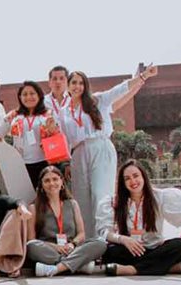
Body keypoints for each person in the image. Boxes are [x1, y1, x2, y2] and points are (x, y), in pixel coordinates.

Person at [64, 66, 158, 234]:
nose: (77, 86)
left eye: (81, 83)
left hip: (100, 146)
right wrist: (67, 162)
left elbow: (120, 90)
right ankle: (88, 243)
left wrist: (142, 77)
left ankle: (105, 238)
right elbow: (64, 138)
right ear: (68, 85)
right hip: (78, 152)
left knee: (101, 195)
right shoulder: (64, 111)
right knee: (81, 199)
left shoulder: (97, 101)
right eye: (73, 82)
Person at [96, 160, 181, 276]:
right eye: (127, 178)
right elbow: (104, 232)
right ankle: (169, 267)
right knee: (110, 253)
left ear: (143, 177)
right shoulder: (113, 202)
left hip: (155, 249)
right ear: (123, 182)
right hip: (129, 250)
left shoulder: (160, 197)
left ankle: (133, 270)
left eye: (136, 176)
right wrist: (123, 239)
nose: (133, 181)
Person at [26, 166, 106, 277]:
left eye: (55, 179)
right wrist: (56, 247)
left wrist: (72, 244)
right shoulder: (33, 208)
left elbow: (81, 234)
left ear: (62, 182)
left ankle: (57, 268)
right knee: (31, 246)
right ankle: (79, 265)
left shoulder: (72, 204)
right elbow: (31, 239)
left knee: (101, 242)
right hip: (49, 250)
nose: (51, 183)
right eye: (47, 181)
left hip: (72, 249)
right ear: (41, 186)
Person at [0, 81, 65, 185]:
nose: (28, 97)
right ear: (20, 97)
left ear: (39, 95)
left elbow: (58, 135)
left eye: (32, 93)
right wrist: (10, 151)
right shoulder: (13, 115)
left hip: (45, 163)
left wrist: (52, 129)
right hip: (20, 165)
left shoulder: (48, 114)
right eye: (24, 94)